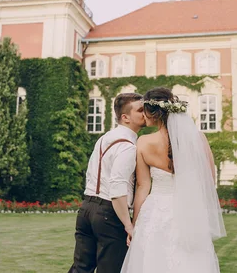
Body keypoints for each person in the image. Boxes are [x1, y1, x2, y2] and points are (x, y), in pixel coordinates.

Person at [121, 87, 226, 273]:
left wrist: (134, 224)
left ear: (152, 113)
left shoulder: (144, 142)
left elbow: (143, 186)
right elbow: (209, 179)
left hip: (156, 212)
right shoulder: (198, 138)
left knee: (152, 260)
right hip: (189, 211)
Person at [68, 93, 146, 273]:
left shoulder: (104, 138)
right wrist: (128, 224)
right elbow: (117, 188)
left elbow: (91, 173)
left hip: (86, 208)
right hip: (109, 212)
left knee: (81, 268)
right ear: (125, 117)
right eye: (140, 110)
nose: (145, 113)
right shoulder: (128, 146)